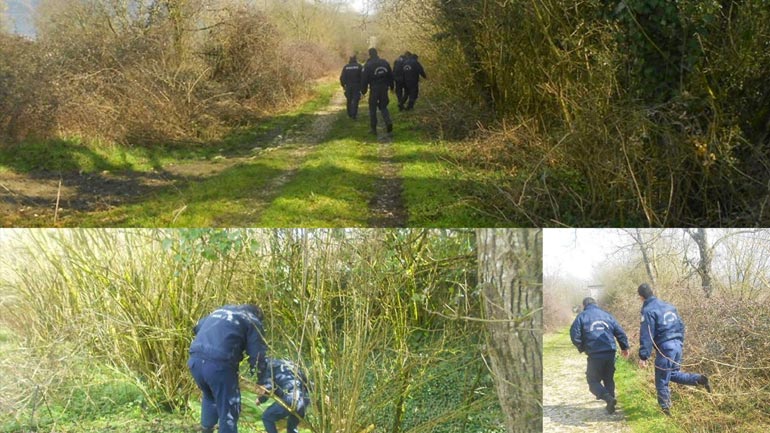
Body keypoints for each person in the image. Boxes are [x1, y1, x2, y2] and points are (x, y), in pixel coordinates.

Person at [188, 304, 268, 433]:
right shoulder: (252, 320)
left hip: (195, 361)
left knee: (210, 396)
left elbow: (197, 327)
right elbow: (257, 354)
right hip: (218, 365)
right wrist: (262, 379)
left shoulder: (221, 310)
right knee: (229, 408)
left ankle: (206, 429)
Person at [637, 283, 711, 416]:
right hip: (677, 345)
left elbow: (647, 335)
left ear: (641, 297)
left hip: (665, 348)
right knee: (673, 374)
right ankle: (699, 379)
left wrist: (643, 356)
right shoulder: (670, 307)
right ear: (652, 292)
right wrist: (679, 342)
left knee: (661, 380)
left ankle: (665, 412)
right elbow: (681, 326)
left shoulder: (648, 311)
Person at [570, 297, 630, 414]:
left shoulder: (582, 317)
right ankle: (611, 404)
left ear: (584, 305)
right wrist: (624, 347)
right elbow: (620, 332)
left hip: (595, 354)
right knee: (608, 379)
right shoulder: (607, 315)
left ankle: (608, 399)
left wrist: (582, 347)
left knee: (592, 381)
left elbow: (574, 335)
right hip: (610, 352)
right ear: (596, 304)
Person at [258, 358, 311, 433]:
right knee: (291, 428)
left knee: (267, 417)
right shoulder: (290, 365)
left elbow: (269, 387)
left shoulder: (270, 368)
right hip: (303, 400)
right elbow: (308, 384)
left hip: (290, 398)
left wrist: (260, 400)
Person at [361, 47, 394, 135]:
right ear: (377, 53)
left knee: (372, 108)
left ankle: (373, 129)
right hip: (384, 88)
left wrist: (363, 91)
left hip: (374, 89)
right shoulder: (385, 62)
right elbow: (391, 75)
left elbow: (364, 78)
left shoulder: (368, 65)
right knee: (383, 106)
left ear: (370, 54)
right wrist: (392, 86)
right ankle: (388, 122)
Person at [339, 55, 363, 120]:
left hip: (348, 86)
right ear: (356, 59)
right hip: (357, 86)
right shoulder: (359, 66)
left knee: (349, 100)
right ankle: (354, 115)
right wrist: (362, 86)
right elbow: (363, 77)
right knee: (355, 100)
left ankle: (349, 114)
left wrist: (343, 85)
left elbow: (342, 77)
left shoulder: (346, 67)